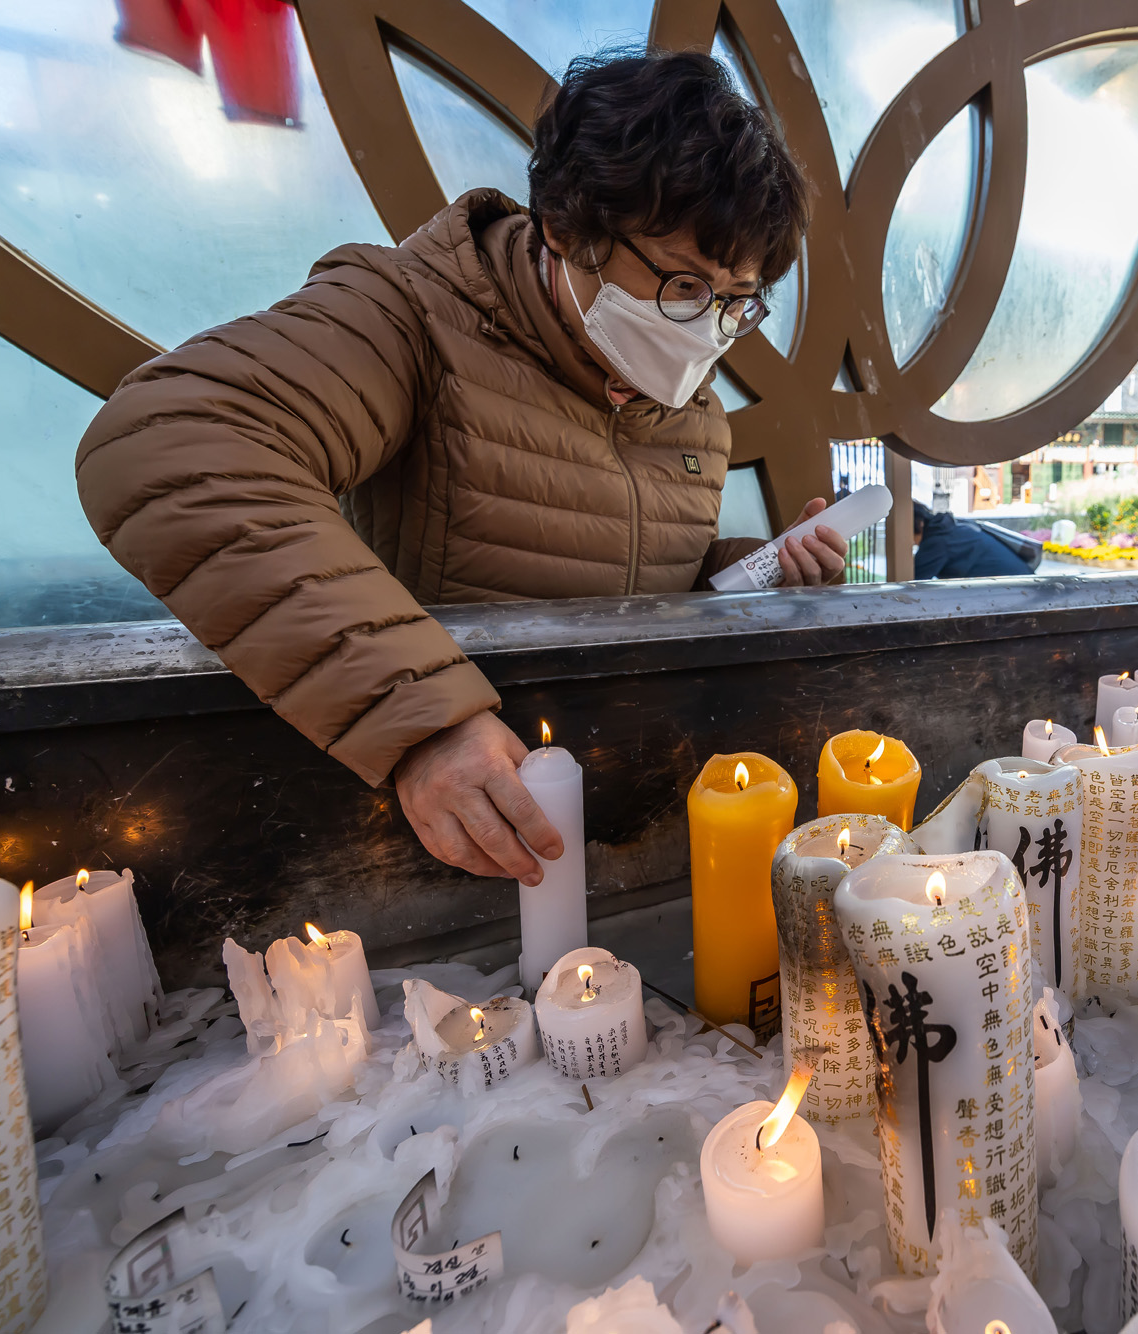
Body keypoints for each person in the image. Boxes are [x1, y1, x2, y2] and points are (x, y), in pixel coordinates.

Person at [74, 52, 848, 888]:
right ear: (568, 227)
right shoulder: (411, 316)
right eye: (683, 286)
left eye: (737, 299)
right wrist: (420, 718)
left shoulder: (692, 411)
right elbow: (173, 437)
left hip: (628, 841)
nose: (708, 331)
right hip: (431, 848)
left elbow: (626, 567)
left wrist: (746, 572)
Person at [912, 502, 1033, 578]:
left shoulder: (938, 540)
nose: (911, 542)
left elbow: (912, 582)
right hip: (1021, 581)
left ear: (920, 523)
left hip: (1016, 589)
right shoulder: (947, 529)